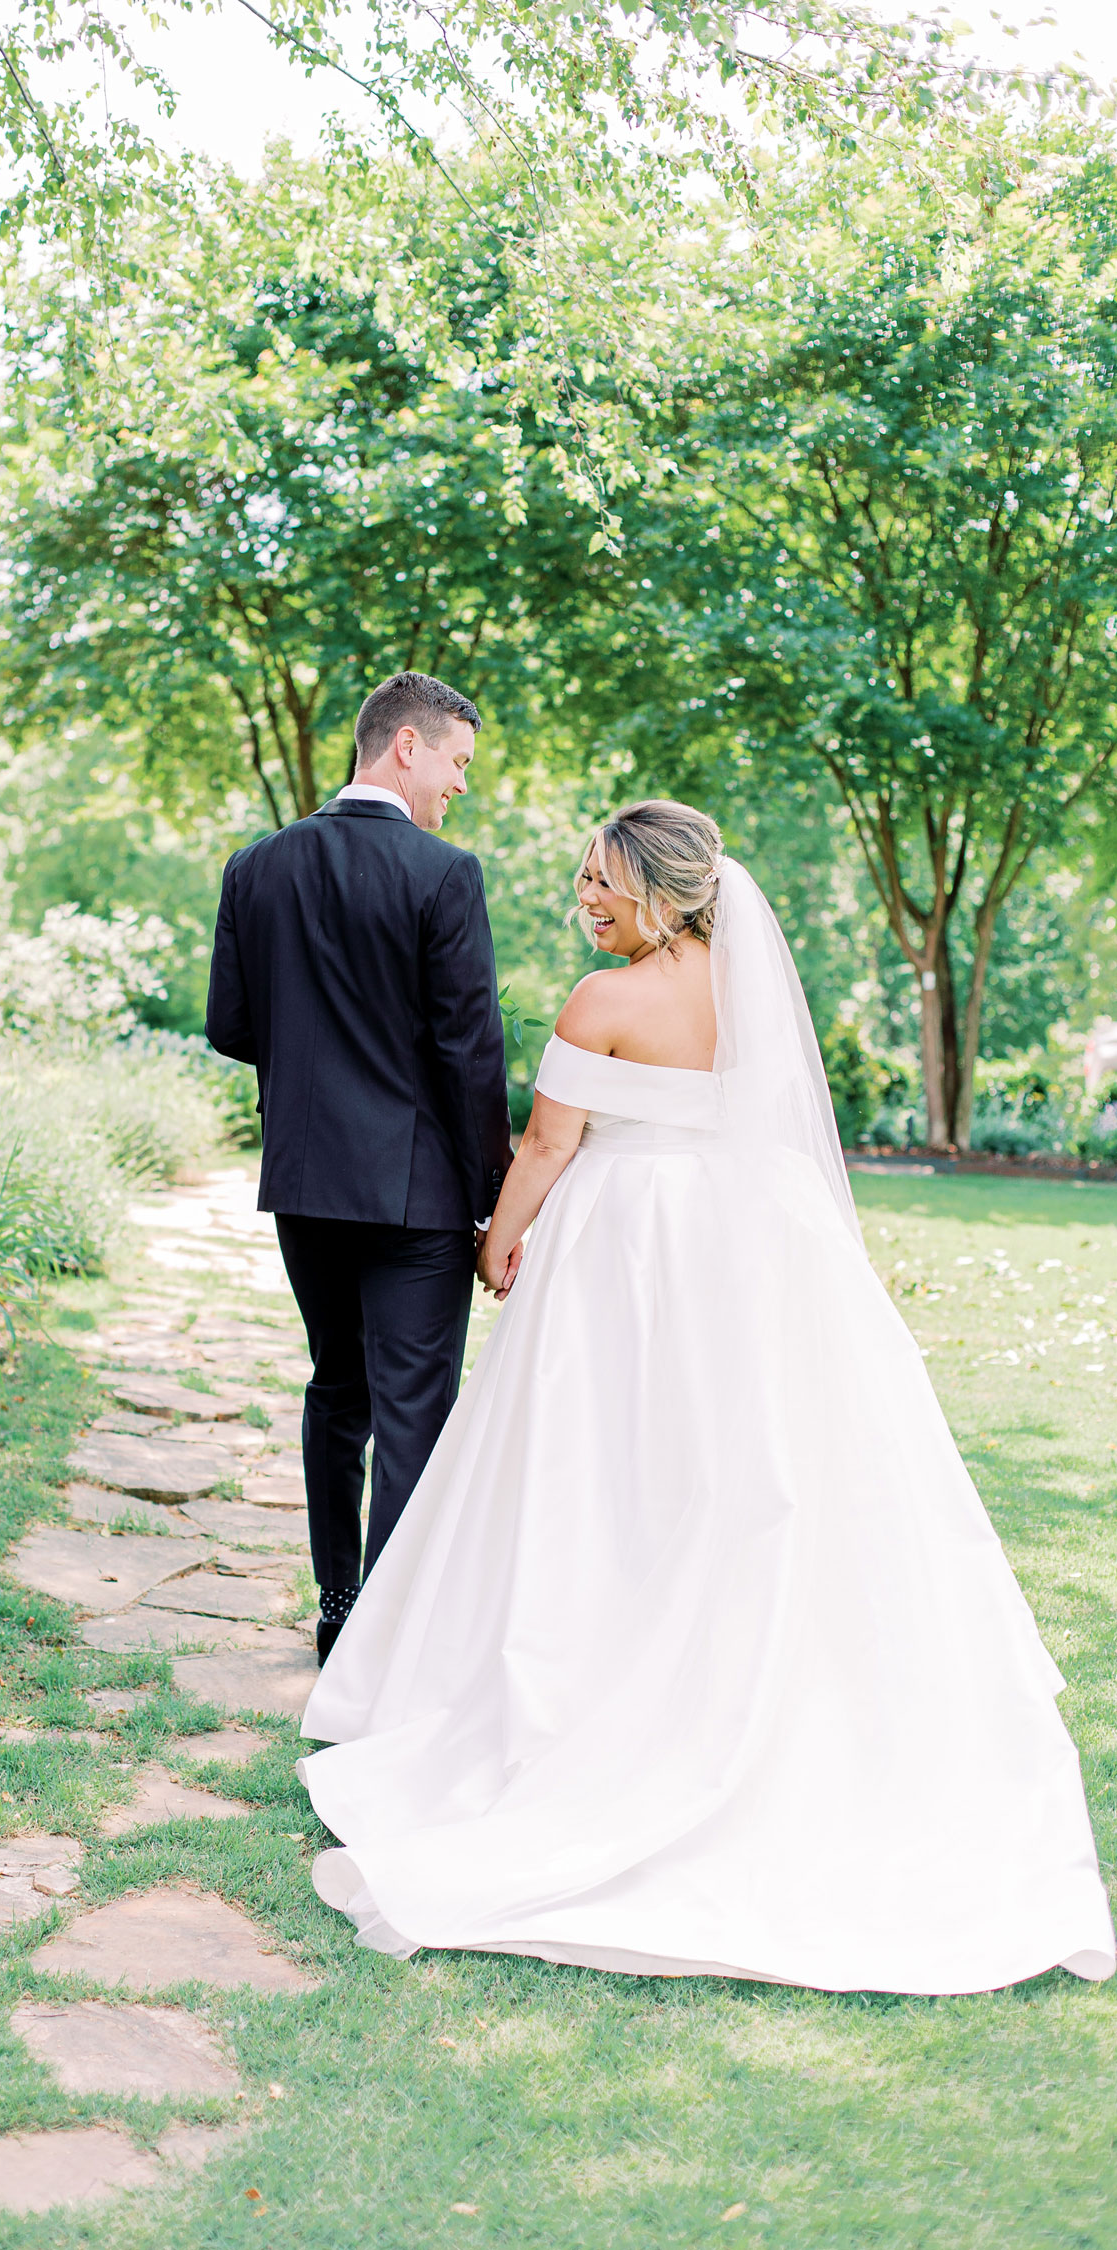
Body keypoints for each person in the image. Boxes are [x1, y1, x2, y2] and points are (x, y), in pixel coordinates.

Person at [299, 799, 1115, 1996]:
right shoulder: (751, 996)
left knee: (608, 1468)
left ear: (665, 893)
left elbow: (546, 1145)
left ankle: (596, 1681)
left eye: (603, 883)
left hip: (629, 1256)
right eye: (584, 877)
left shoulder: (603, 1000)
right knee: (749, 1471)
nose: (585, 900)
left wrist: (495, 1246)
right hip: (752, 1254)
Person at [206, 671, 513, 1664]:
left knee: (337, 1390)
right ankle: (392, 1636)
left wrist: (315, 1071)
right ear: (407, 748)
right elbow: (470, 1053)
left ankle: (341, 1610)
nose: (458, 785)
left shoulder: (256, 868)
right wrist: (494, 1197)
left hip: (307, 1186)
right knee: (414, 1406)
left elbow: (231, 1027)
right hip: (417, 1196)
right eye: (457, 762)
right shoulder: (442, 875)